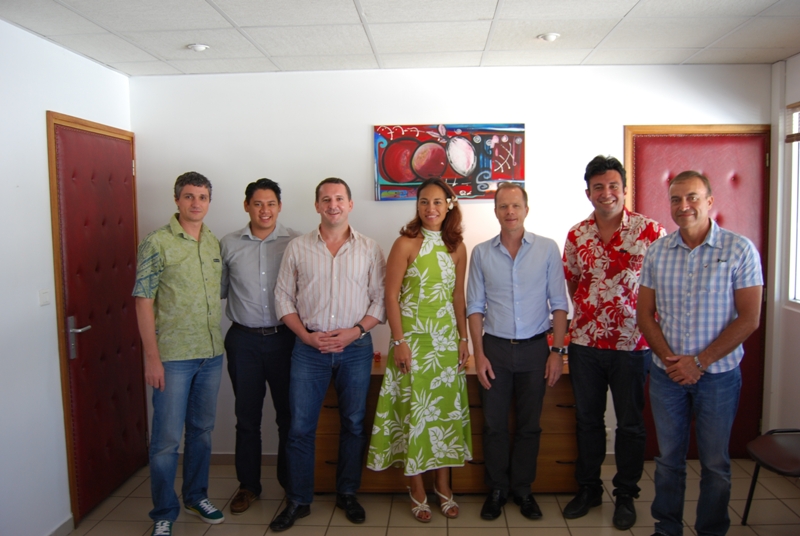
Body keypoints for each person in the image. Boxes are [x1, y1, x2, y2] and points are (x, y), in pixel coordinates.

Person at [637, 171, 763, 536]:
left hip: (719, 377)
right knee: (668, 462)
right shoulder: (659, 251)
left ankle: (711, 530)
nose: (683, 206)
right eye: (676, 199)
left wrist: (699, 362)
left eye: (692, 197)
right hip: (667, 377)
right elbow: (645, 314)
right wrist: (675, 364)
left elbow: (750, 318)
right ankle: (667, 528)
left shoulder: (739, 250)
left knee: (715, 463)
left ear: (710, 201)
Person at [270, 178, 386, 532]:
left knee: (353, 423)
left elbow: (379, 300)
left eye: (339, 198)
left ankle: (347, 493)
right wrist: (306, 336)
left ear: (350, 204)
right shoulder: (298, 247)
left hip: (356, 348)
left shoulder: (369, 248)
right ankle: (299, 500)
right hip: (309, 350)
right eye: (326, 199)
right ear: (317, 206)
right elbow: (283, 298)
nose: (333, 204)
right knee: (300, 427)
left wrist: (355, 331)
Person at [561, 156, 666, 529]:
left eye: (613, 186)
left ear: (624, 188)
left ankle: (625, 494)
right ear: (588, 192)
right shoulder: (577, 235)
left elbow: (661, 287)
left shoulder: (651, 232)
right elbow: (572, 283)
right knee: (587, 420)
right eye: (598, 187)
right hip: (586, 343)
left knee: (630, 424)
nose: (606, 193)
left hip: (633, 345)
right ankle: (588, 488)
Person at [367, 178, 472, 522]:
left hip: (444, 344)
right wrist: (398, 342)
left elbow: (458, 297)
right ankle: (416, 488)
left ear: (449, 205)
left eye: (438, 202)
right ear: (417, 205)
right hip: (411, 342)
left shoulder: (457, 247)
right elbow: (391, 297)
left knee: (441, 416)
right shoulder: (405, 243)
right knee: (414, 414)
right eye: (424, 202)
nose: (431, 209)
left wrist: (463, 338)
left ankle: (444, 487)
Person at [467, 181, 570, 521]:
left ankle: (523, 490)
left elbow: (559, 304)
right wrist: (478, 354)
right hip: (494, 349)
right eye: (503, 206)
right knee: (494, 425)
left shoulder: (546, 249)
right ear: (495, 211)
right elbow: (475, 307)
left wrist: (556, 351)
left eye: (516, 206)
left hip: (534, 351)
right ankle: (496, 489)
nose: (509, 212)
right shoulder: (481, 252)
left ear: (526, 209)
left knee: (529, 425)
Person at [133, 172, 225, 536]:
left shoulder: (212, 242)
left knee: (201, 432)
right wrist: (151, 357)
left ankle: (195, 495)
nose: (196, 203)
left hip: (211, 353)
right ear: (177, 200)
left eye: (202, 197)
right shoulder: (157, 242)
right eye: (189, 196)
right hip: (172, 358)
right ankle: (163, 512)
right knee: (167, 440)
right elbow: (143, 300)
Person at [220, 178, 301, 514]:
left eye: (271, 204)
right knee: (247, 418)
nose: (264, 210)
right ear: (246, 206)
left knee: (288, 416)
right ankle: (248, 486)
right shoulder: (228, 244)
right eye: (257, 204)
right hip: (244, 342)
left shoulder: (296, 242)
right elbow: (221, 290)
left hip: (285, 339)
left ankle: (290, 484)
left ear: (279, 206)